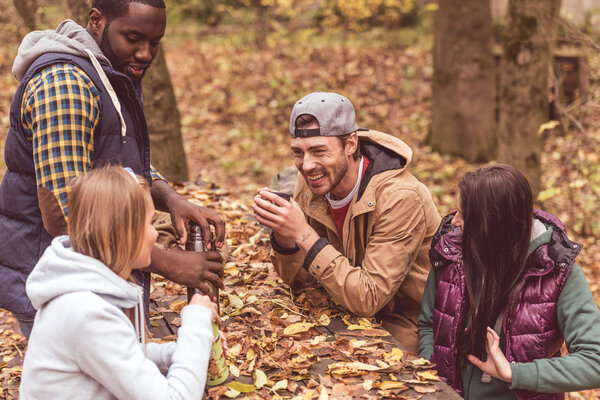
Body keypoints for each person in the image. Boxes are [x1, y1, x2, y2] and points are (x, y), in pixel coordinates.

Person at [0, 0, 225, 338]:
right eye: (133, 37)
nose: (146, 53)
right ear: (97, 21)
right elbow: (70, 215)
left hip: (98, 280)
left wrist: (168, 196)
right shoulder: (65, 87)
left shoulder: (104, 71)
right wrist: (169, 263)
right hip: (61, 289)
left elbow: (112, 157)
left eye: (155, 42)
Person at [252, 91, 441, 353]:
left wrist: (303, 234)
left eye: (319, 151)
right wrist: (285, 239)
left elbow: (369, 298)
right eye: (298, 153)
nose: (306, 165)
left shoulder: (400, 197)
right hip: (341, 306)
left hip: (407, 320)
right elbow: (298, 280)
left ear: (350, 144)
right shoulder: (312, 181)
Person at [20, 166, 218, 399]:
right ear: (126, 233)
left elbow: (125, 353)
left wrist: (186, 351)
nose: (155, 234)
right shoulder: (86, 312)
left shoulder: (85, 292)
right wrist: (196, 319)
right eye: (149, 223)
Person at [418, 164, 600, 399]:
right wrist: (434, 379)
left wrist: (515, 374)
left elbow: (594, 361)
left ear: (491, 225)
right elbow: (427, 325)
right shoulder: (451, 253)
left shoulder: (556, 271)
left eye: (464, 214)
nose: (454, 221)